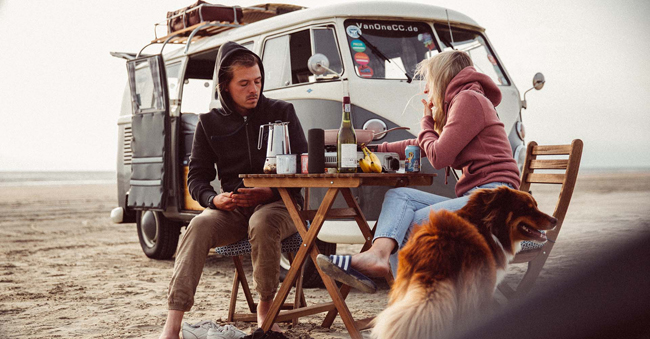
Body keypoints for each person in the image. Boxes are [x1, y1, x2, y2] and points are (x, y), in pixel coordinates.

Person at [317, 50, 521, 291]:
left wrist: (426, 122)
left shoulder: (469, 100)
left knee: (409, 224)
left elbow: (437, 155)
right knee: (398, 196)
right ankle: (379, 258)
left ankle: (408, 297)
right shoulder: (468, 100)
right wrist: (373, 148)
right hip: (481, 197)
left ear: (442, 77)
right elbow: (422, 145)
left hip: (495, 202)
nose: (427, 90)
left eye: (429, 81)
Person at [159, 41, 307, 339]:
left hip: (282, 206)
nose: (254, 89)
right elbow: (197, 178)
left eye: (258, 81)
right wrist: (214, 199)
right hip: (234, 210)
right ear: (225, 86)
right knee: (199, 224)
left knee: (262, 221)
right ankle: (172, 324)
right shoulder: (209, 122)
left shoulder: (282, 112)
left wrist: (269, 194)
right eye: (244, 83)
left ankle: (266, 310)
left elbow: (305, 168)